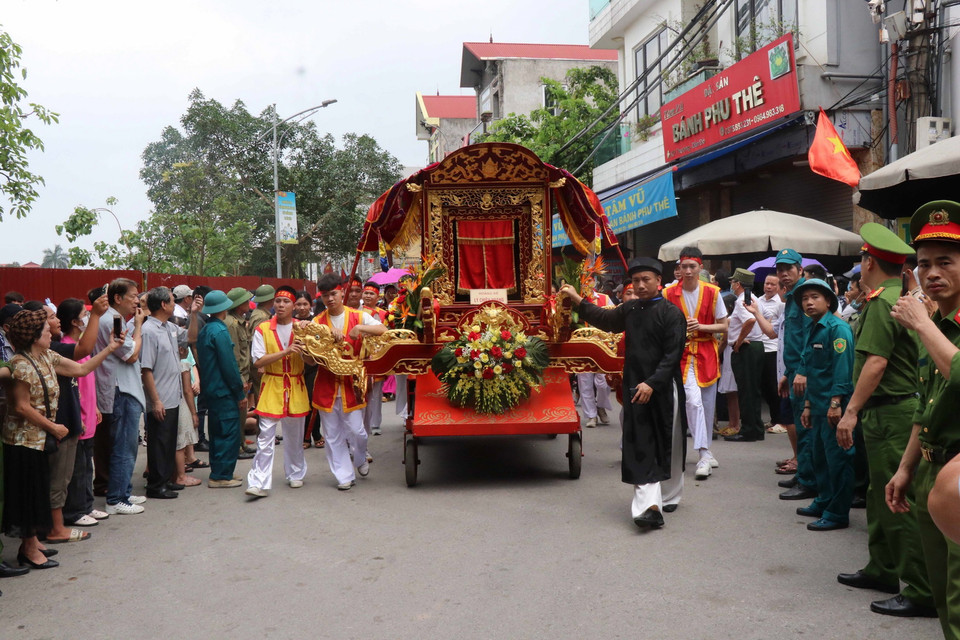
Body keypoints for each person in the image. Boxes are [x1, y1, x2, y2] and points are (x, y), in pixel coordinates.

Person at [833, 223, 935, 617]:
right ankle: (883, 567)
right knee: (879, 494)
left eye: (862, 259)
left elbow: (876, 362)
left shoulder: (881, 301)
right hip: (890, 410)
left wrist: (851, 411)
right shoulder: (896, 297)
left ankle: (922, 589)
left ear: (869, 262)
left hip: (891, 411)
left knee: (897, 497)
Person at [561, 258, 686, 528]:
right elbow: (604, 319)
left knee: (670, 443)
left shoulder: (672, 314)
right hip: (635, 388)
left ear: (658, 281)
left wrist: (652, 383)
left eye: (646, 280)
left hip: (663, 388)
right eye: (636, 281)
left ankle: (670, 494)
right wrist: (576, 299)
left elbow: (672, 355)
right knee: (642, 445)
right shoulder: (630, 309)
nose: (640, 285)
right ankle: (649, 508)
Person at [887, 200, 960, 635]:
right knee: (944, 598)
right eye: (924, 264)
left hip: (958, 474)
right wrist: (906, 467)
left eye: (945, 262)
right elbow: (926, 405)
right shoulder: (939, 325)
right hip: (933, 470)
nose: (932, 273)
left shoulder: (933, 327)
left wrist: (923, 325)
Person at [2, 308, 122, 569]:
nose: (51, 333)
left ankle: (31, 544)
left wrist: (110, 347)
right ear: (35, 336)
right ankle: (29, 549)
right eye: (46, 330)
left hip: (40, 439)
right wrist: (53, 427)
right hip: (24, 441)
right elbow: (21, 406)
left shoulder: (47, 355)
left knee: (37, 492)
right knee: (28, 495)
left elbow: (82, 369)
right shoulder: (21, 364)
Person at [310, 274, 386, 490]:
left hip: (352, 384)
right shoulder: (317, 322)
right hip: (326, 384)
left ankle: (360, 457)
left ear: (342, 292)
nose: (330, 299)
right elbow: (309, 358)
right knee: (333, 435)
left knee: (358, 431)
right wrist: (324, 336)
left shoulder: (358, 316)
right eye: (325, 295)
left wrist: (360, 329)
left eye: (333, 294)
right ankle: (344, 475)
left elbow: (383, 330)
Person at [791, 278, 855, 531]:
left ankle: (838, 512)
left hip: (833, 406)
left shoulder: (837, 329)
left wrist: (836, 403)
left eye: (815, 297)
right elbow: (811, 369)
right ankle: (824, 500)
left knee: (838, 460)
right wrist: (807, 405)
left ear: (828, 301)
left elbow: (842, 369)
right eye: (805, 299)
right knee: (820, 457)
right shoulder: (813, 327)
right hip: (817, 405)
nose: (808, 302)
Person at [663, 246, 728, 480]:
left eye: (692, 266)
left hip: (706, 352)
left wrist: (701, 326)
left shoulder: (713, 292)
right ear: (678, 268)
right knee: (693, 401)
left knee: (708, 406)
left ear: (701, 267)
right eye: (684, 266)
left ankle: (706, 451)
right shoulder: (668, 293)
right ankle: (702, 453)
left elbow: (724, 326)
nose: (688, 271)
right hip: (681, 355)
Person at [246, 286, 311, 497]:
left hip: (296, 385)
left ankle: (295, 473)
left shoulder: (302, 328)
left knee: (295, 436)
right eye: (278, 301)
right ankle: (259, 482)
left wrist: (306, 350)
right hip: (272, 385)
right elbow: (258, 361)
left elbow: (311, 362)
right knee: (265, 437)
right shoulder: (262, 329)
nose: (281, 305)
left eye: (286, 301)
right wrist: (286, 351)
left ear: (294, 306)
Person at [95, 278, 147, 515]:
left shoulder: (114, 318)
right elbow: (131, 355)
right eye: (133, 296)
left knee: (126, 445)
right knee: (124, 446)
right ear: (117, 298)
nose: (137, 301)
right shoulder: (113, 320)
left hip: (121, 387)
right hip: (122, 389)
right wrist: (139, 327)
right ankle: (116, 498)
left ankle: (123, 490)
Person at [60, 298, 110, 528]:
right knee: (78, 468)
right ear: (74, 321)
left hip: (89, 414)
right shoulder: (69, 347)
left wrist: (95, 407)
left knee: (87, 465)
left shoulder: (81, 344)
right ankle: (75, 510)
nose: (87, 319)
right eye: (84, 315)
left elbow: (87, 383)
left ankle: (87, 505)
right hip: (78, 417)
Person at [776, 249, 817, 501]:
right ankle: (803, 473)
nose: (784, 274)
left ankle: (808, 481)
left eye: (789, 268)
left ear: (800, 270)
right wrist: (787, 373)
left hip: (805, 373)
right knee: (800, 427)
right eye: (780, 269)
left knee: (806, 427)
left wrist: (801, 370)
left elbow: (811, 337)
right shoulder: (791, 296)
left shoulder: (805, 295)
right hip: (793, 372)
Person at [195, 291, 247, 489]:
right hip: (224, 390)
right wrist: (239, 392)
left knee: (217, 432)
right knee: (228, 433)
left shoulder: (206, 329)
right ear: (224, 308)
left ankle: (220, 471)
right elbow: (229, 365)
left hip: (212, 388)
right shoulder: (220, 331)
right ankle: (222, 475)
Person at [140, 287, 183, 500]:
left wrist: (195, 314)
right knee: (159, 442)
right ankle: (156, 485)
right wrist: (155, 401)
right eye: (173, 301)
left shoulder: (168, 327)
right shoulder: (149, 331)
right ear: (164, 305)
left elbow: (191, 337)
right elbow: (146, 369)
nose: (175, 304)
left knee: (168, 441)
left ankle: (165, 480)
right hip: (161, 397)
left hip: (172, 395)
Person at [724, 268, 767, 442]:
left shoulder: (742, 300)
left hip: (747, 348)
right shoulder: (755, 299)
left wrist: (739, 341)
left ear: (738, 284)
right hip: (756, 346)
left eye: (733, 282)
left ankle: (749, 430)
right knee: (753, 390)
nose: (731, 285)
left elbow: (750, 320)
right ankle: (756, 428)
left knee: (746, 391)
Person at [224, 287, 255, 460]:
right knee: (237, 414)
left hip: (244, 375)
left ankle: (242, 444)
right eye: (245, 301)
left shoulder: (240, 321)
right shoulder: (232, 324)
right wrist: (240, 379)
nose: (248, 303)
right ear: (238, 304)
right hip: (239, 376)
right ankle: (237, 448)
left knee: (242, 414)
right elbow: (234, 356)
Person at [577, 284, 614, 429]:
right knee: (585, 383)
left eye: (589, 280)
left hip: (603, 347)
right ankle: (591, 415)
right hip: (583, 347)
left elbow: (614, 319)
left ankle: (601, 406)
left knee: (603, 383)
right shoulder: (575, 300)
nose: (587, 284)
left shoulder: (605, 299)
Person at [294, 291, 324, 449]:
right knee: (300, 402)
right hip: (294, 367)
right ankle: (303, 435)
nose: (302, 307)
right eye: (298, 304)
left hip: (313, 366)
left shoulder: (316, 322)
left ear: (310, 305)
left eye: (305, 304)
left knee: (313, 401)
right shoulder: (290, 322)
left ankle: (315, 434)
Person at [756, 274, 785, 431]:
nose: (768, 287)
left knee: (774, 387)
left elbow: (777, 329)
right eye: (767, 283)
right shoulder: (758, 301)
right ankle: (774, 419)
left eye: (773, 284)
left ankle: (781, 420)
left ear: (779, 287)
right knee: (765, 387)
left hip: (773, 348)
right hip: (760, 346)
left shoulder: (780, 303)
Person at [361, 282, 388, 436]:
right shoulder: (355, 312)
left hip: (377, 355)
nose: (368, 296)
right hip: (360, 355)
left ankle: (375, 423)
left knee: (376, 392)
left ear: (378, 297)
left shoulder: (384, 314)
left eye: (372, 294)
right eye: (366, 293)